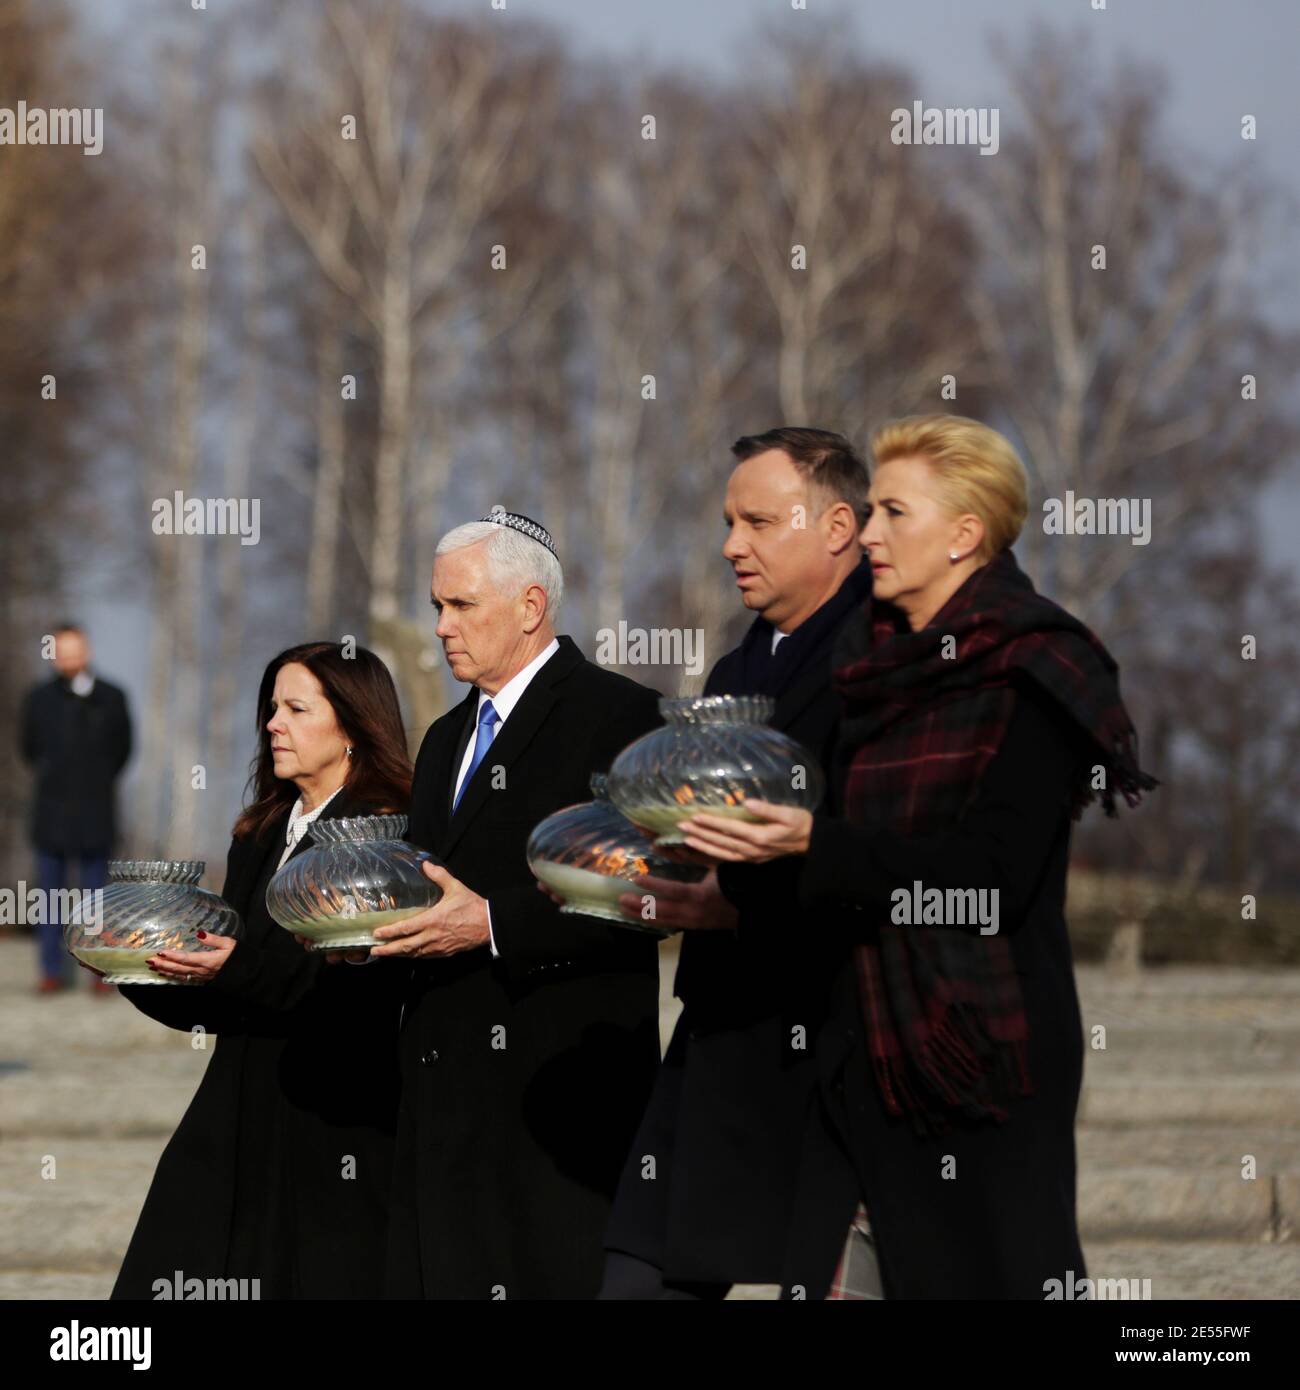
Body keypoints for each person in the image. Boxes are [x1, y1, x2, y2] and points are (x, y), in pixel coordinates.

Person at [678, 414, 1157, 1299]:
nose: (867, 533)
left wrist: (813, 841)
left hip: (979, 1054)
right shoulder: (869, 663)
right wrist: (722, 874)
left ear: (964, 534)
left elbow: (990, 878)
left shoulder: (1035, 667)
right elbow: (831, 864)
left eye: (893, 513)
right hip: (851, 1046)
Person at [599, 427, 873, 1299]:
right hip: (718, 1025)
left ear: (837, 526)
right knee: (638, 1274)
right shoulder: (739, 663)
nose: (730, 545)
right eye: (728, 521)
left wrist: (744, 900)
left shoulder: (883, 658)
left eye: (757, 521)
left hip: (819, 1036)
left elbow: (875, 847)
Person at [368, 509, 663, 1299]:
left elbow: (642, 888)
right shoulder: (441, 739)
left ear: (530, 607)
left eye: (460, 605)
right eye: (436, 606)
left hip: (560, 1113)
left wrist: (493, 922)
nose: (440, 627)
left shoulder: (622, 716)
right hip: (441, 1114)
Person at [111, 642, 412, 1299]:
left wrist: (240, 966)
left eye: (296, 708)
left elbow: (357, 991)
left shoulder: (384, 840)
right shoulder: (260, 832)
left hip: (335, 1124)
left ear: (356, 728)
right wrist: (139, 965)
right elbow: (226, 991)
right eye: (272, 707)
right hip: (235, 1114)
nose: (273, 723)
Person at [19, 623, 131, 993]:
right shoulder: (38, 698)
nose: (68, 657)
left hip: (96, 813)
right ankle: (51, 972)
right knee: (49, 897)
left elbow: (123, 749)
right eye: (60, 651)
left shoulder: (113, 697)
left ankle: (98, 970)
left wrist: (94, 781)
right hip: (51, 813)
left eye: (74, 649)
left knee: (96, 897)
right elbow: (29, 748)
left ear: (87, 651)